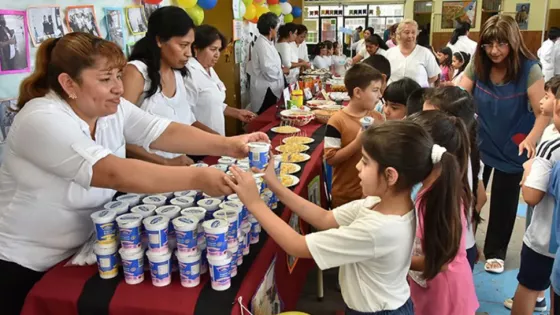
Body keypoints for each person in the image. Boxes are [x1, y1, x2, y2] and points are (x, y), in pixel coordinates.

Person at [0, 32, 268, 315]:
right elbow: (110, 172)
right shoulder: (41, 118)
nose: (118, 87)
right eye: (105, 79)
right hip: (28, 262)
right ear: (68, 83)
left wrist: (229, 144)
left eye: (118, 75)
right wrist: (197, 178)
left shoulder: (109, 109)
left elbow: (162, 131)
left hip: (88, 251)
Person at [225, 119, 464, 315]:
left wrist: (254, 203)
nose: (358, 168)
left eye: (365, 162)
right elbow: (325, 218)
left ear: (390, 175)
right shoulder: (382, 203)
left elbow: (296, 245)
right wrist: (275, 185)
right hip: (381, 305)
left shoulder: (379, 228)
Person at [458, 14, 547, 274]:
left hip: (514, 142)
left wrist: (531, 139)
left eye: (501, 44)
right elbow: (461, 92)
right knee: (472, 193)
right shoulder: (478, 63)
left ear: (513, 42)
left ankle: (496, 251)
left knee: (505, 200)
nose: (494, 51)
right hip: (481, 139)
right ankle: (469, 245)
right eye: (488, 44)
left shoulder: (530, 68)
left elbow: (542, 111)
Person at [407, 110, 479, 315]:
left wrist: (393, 259)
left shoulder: (437, 199)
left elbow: (438, 261)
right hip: (428, 285)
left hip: (443, 294)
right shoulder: (430, 188)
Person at [122, 7, 213, 166]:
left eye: (190, 46)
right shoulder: (136, 73)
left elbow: (188, 122)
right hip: (147, 174)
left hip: (178, 171)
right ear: (159, 40)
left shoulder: (178, 74)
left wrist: (224, 141)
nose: (189, 53)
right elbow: (119, 133)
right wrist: (164, 162)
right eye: (183, 45)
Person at [503, 76, 560, 314]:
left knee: (526, 286)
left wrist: (528, 170)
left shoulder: (551, 144)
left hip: (545, 239)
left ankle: (534, 299)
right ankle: (541, 299)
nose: (544, 100)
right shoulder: (549, 134)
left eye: (549, 97)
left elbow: (531, 196)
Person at [423, 87, 487, 270]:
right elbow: (480, 198)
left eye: (428, 118)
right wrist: (469, 237)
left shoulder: (435, 161)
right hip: (464, 246)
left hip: (440, 254)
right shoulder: (471, 152)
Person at [324, 63, 385, 209]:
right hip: (345, 195)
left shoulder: (378, 118)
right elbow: (331, 159)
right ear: (357, 92)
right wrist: (358, 142)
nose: (380, 95)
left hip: (372, 195)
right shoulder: (336, 121)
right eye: (375, 90)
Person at [185, 25, 256, 136]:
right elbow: (185, 116)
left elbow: (215, 103)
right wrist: (214, 136)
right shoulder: (189, 73)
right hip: (199, 140)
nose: (217, 54)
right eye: (213, 49)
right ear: (196, 48)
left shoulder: (209, 69)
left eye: (219, 49)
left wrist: (237, 113)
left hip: (216, 137)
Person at [247, 12, 285, 114]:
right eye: (276, 27)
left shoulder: (268, 42)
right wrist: (281, 71)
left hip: (272, 88)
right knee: (265, 116)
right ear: (270, 29)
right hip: (266, 90)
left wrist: (280, 69)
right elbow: (269, 71)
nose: (277, 30)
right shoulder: (262, 45)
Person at [385, 19, 440, 88]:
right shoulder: (389, 53)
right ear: (399, 34)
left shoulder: (425, 53)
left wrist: (419, 86)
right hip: (394, 96)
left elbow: (433, 76)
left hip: (418, 95)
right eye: (407, 32)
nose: (410, 36)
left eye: (413, 32)